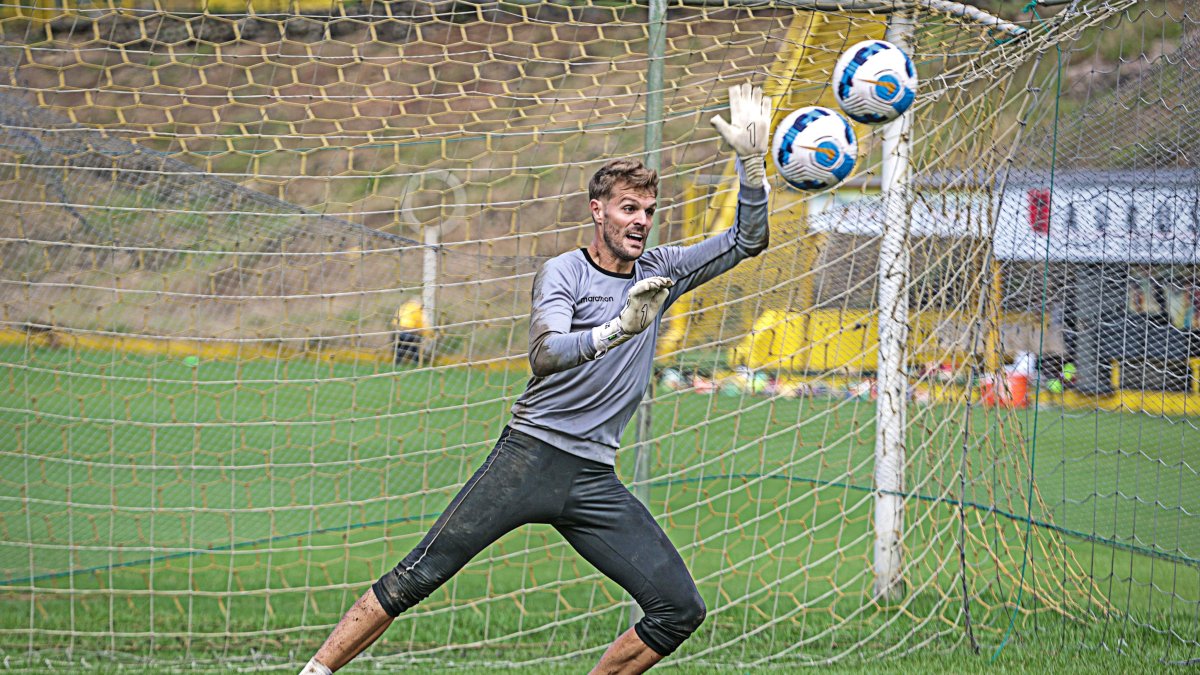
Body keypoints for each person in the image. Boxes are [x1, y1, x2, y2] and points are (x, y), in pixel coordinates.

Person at [300, 83, 772, 675]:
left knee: (678, 608)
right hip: (526, 460)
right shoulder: (564, 272)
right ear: (597, 210)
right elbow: (545, 354)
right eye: (630, 208)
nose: (642, 222)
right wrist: (618, 328)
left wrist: (752, 167)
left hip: (593, 478)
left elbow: (748, 240)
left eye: (650, 212)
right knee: (418, 576)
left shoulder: (662, 269)